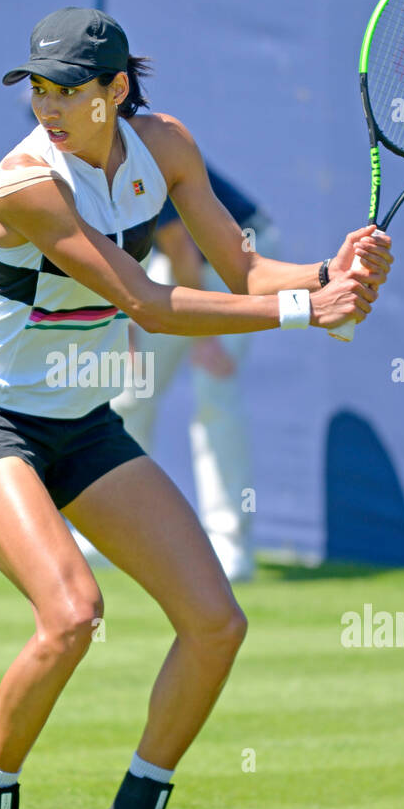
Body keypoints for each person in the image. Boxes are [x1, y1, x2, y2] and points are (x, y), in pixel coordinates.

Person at [0, 7, 393, 809]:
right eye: (38, 91)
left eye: (68, 92)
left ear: (116, 92)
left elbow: (240, 265)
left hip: (79, 420)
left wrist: (326, 272)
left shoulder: (166, 144)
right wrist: (311, 312)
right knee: (71, 614)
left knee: (215, 621)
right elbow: (145, 301)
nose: (48, 109)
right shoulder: (27, 182)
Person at [70, 167, 281, 582]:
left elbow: (181, 245)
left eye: (70, 96)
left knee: (214, 392)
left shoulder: (140, 155)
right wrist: (123, 318)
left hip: (237, 263)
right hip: (174, 263)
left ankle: (230, 546)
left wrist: (205, 336)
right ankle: (111, 530)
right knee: (128, 392)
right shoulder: (73, 173)